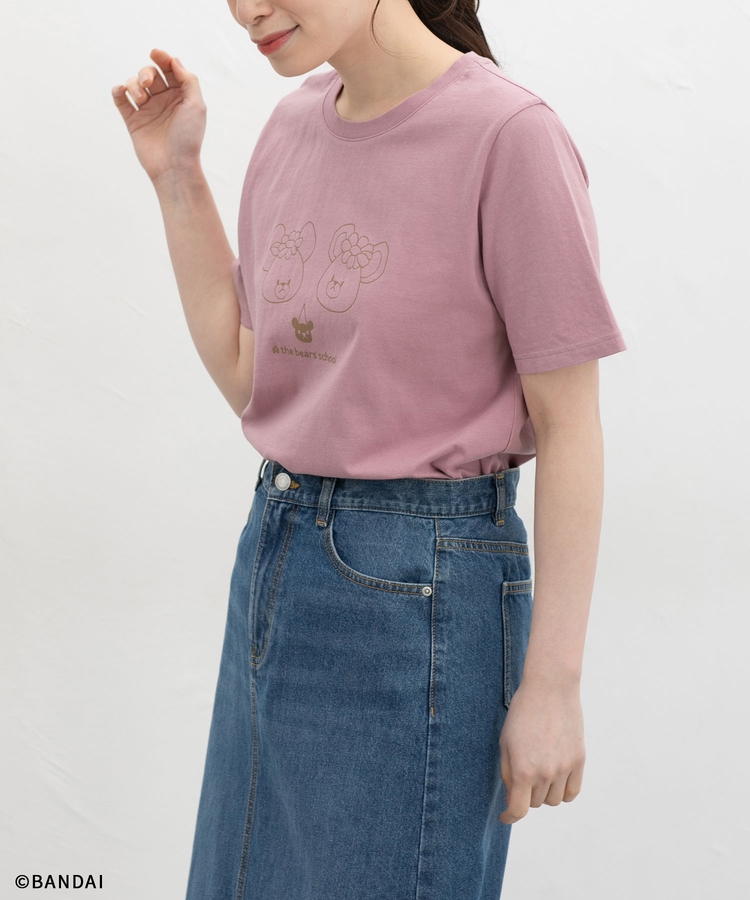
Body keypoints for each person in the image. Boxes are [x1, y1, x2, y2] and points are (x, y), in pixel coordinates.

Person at [111, 0, 626, 897]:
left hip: (422, 592)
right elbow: (255, 376)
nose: (248, 10)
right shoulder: (289, 128)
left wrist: (553, 683)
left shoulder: (510, 137)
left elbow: (572, 424)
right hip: (275, 558)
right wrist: (178, 176)